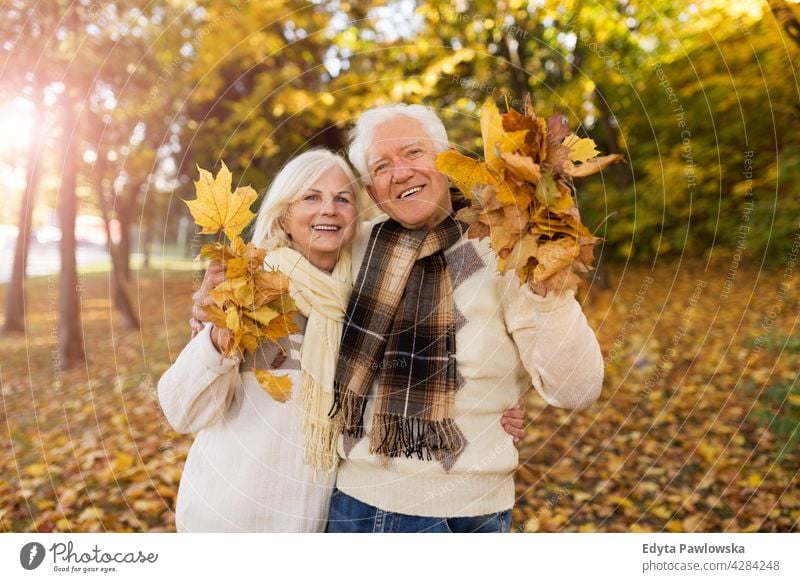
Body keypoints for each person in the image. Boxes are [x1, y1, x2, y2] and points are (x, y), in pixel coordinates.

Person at [158, 148, 526, 532]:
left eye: (343, 199)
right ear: (284, 215)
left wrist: (496, 405)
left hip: (317, 524)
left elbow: (414, 375)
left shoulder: (367, 302)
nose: (328, 210)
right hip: (228, 518)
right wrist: (217, 340)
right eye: (311, 197)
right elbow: (183, 412)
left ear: (356, 216)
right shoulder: (248, 290)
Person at [325, 104, 604, 533]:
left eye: (414, 152)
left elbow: (577, 389)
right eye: (381, 166)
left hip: (471, 515)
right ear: (372, 188)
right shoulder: (352, 247)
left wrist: (549, 291)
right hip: (358, 507)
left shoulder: (506, 245)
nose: (399, 172)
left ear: (449, 158)